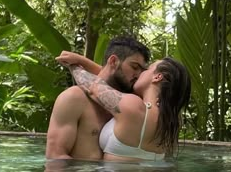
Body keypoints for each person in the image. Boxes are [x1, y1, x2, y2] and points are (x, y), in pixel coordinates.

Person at [55, 51, 191, 163]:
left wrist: (74, 65)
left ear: (157, 77)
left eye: (147, 70)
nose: (139, 74)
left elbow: (94, 87)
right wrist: (84, 61)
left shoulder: (134, 106)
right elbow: (107, 80)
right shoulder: (171, 121)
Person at [45, 36, 150, 160]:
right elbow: (56, 156)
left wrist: (80, 61)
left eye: (142, 71)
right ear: (113, 62)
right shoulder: (74, 98)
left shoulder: (131, 104)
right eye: (134, 67)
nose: (138, 75)